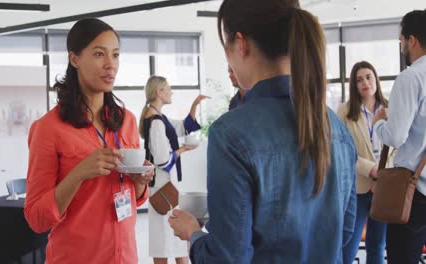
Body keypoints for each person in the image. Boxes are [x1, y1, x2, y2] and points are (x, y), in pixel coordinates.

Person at [168, 0, 357, 263]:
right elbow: (345, 232)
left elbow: (228, 259)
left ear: (241, 44)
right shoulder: (335, 126)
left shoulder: (231, 133)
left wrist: (194, 235)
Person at [24, 18, 153, 264]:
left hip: (125, 257)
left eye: (115, 55)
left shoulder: (127, 121)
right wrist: (79, 173)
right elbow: (36, 218)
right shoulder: (48, 129)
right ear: (75, 59)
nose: (110, 65)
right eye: (98, 54)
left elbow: (136, 198)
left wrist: (140, 182)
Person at [373, 9, 426, 264]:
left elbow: (395, 137)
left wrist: (379, 123)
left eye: (401, 40)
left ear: (412, 40)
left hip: (414, 192)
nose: (402, 45)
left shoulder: (411, 77)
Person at [139, 75, 208, 264]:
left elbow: (182, 127)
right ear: (159, 92)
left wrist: (194, 105)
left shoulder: (159, 118)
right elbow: (163, 161)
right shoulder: (156, 122)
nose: (171, 92)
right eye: (168, 89)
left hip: (164, 185)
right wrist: (182, 150)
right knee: (168, 240)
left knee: (167, 240)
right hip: (164, 186)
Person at [338, 61, 391, 264]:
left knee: (377, 246)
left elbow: (397, 147)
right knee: (348, 246)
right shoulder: (344, 111)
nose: (365, 82)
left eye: (368, 77)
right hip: (357, 188)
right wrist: (371, 170)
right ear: (354, 85)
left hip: (384, 188)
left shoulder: (390, 108)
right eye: (359, 79)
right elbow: (343, 150)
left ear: (375, 78)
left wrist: (383, 175)